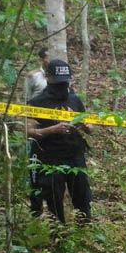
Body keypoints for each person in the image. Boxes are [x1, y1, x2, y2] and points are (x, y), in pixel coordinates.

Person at [26, 60, 92, 223]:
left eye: (65, 82)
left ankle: (84, 230)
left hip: (75, 155)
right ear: (48, 78)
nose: (61, 85)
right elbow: (28, 132)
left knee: (82, 196)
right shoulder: (36, 103)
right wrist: (51, 130)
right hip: (50, 158)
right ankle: (58, 236)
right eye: (58, 82)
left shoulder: (75, 100)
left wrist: (78, 121)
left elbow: (90, 127)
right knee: (54, 199)